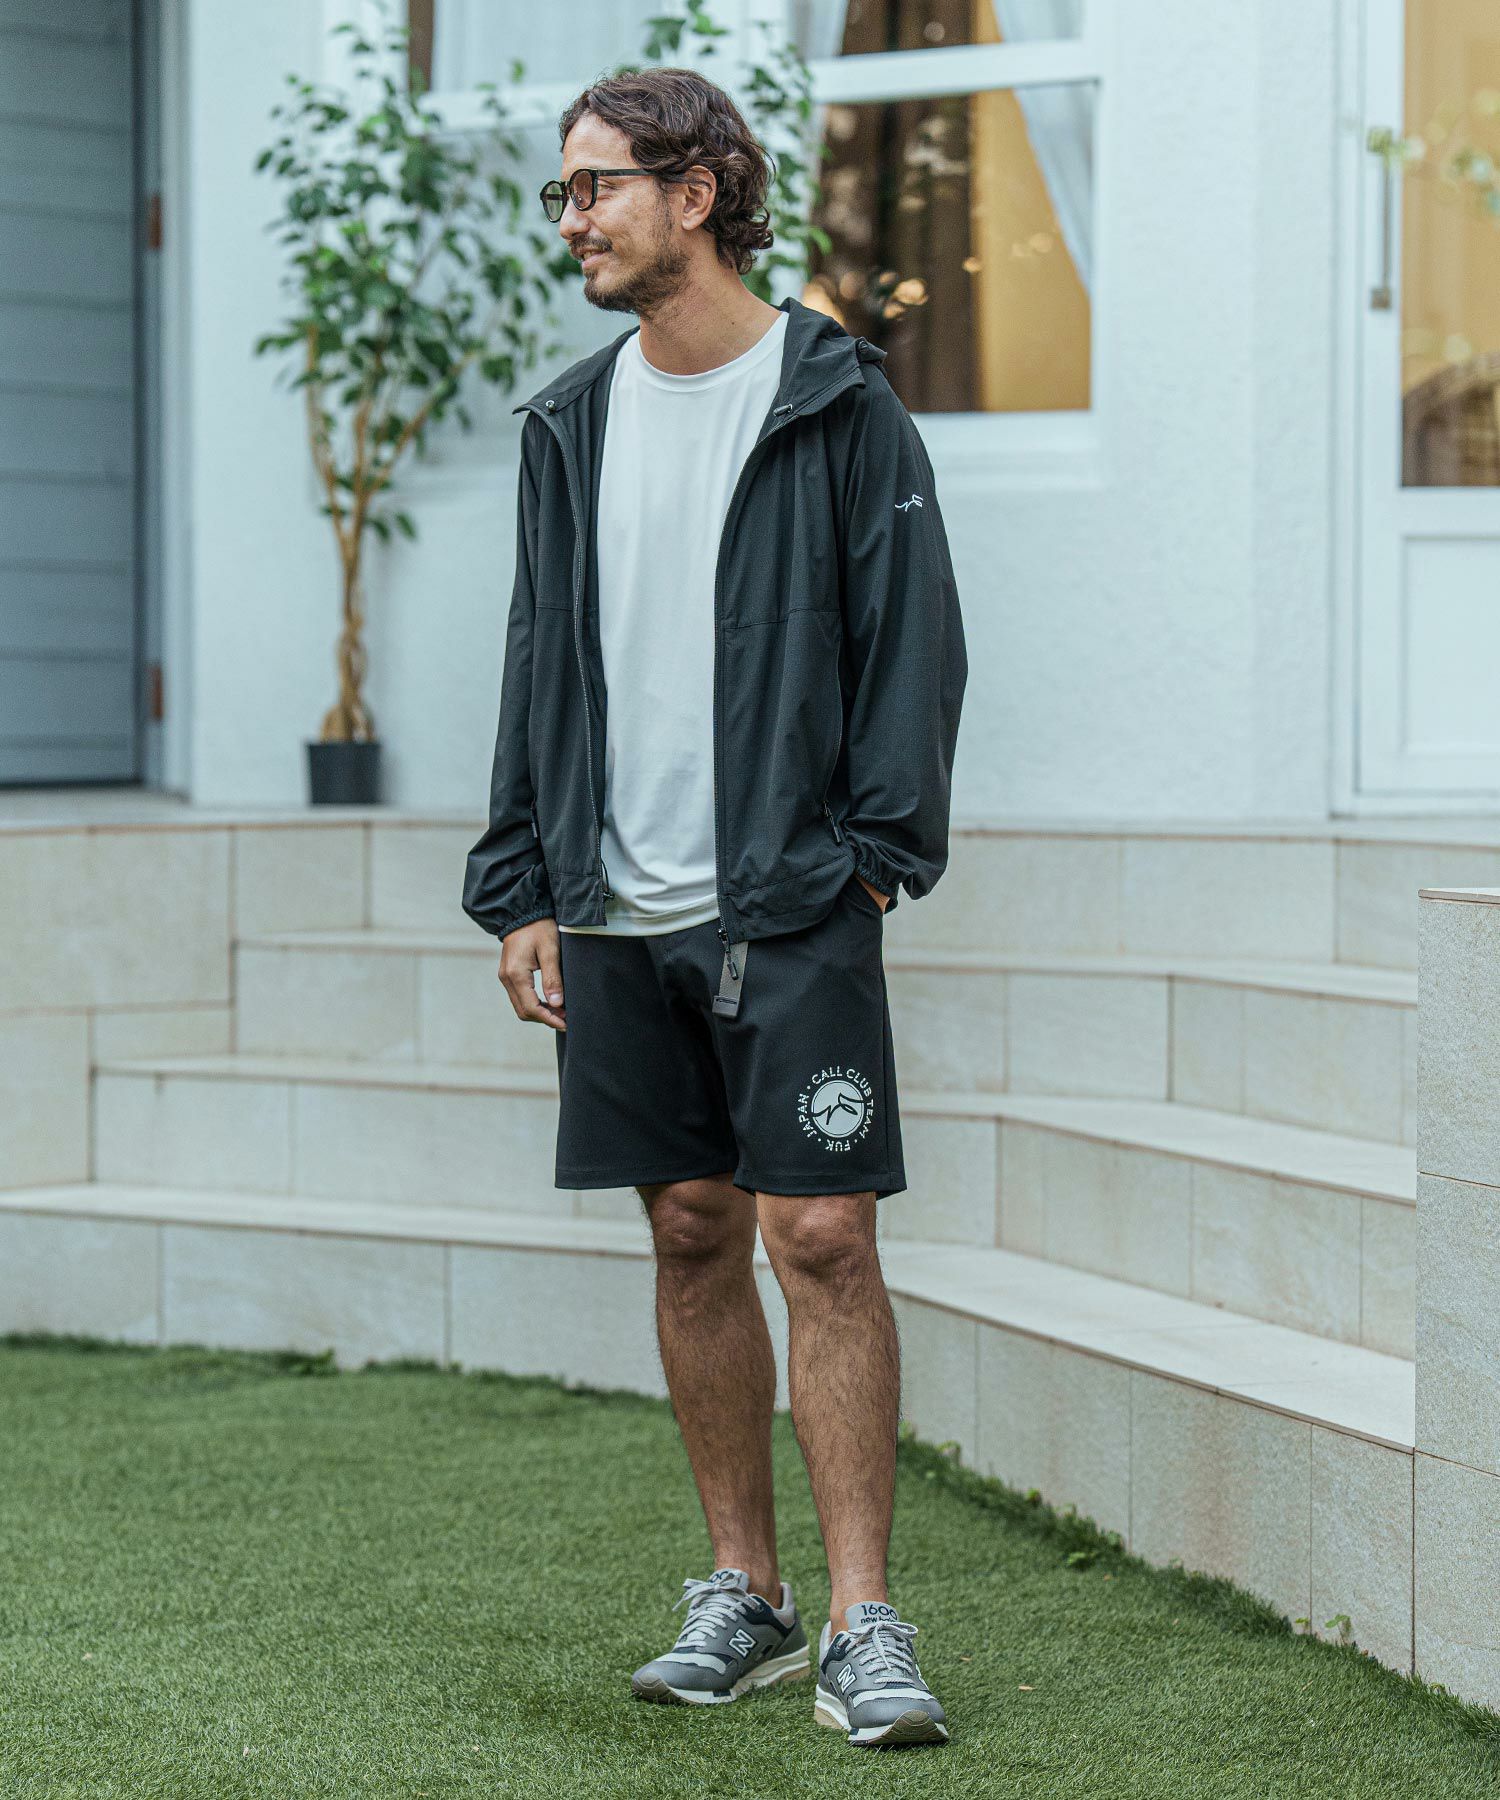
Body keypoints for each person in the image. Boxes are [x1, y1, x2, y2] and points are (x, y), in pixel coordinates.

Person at [461, 65, 967, 1751]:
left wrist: (873, 857)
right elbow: (538, 659)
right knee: (689, 1228)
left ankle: (866, 1622)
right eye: (563, 191)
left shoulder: (836, 400)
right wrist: (522, 884)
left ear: (699, 193)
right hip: (615, 904)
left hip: (791, 897)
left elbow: (915, 642)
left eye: (597, 185)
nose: (573, 220)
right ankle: (745, 1593)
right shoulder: (570, 423)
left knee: (822, 1237)